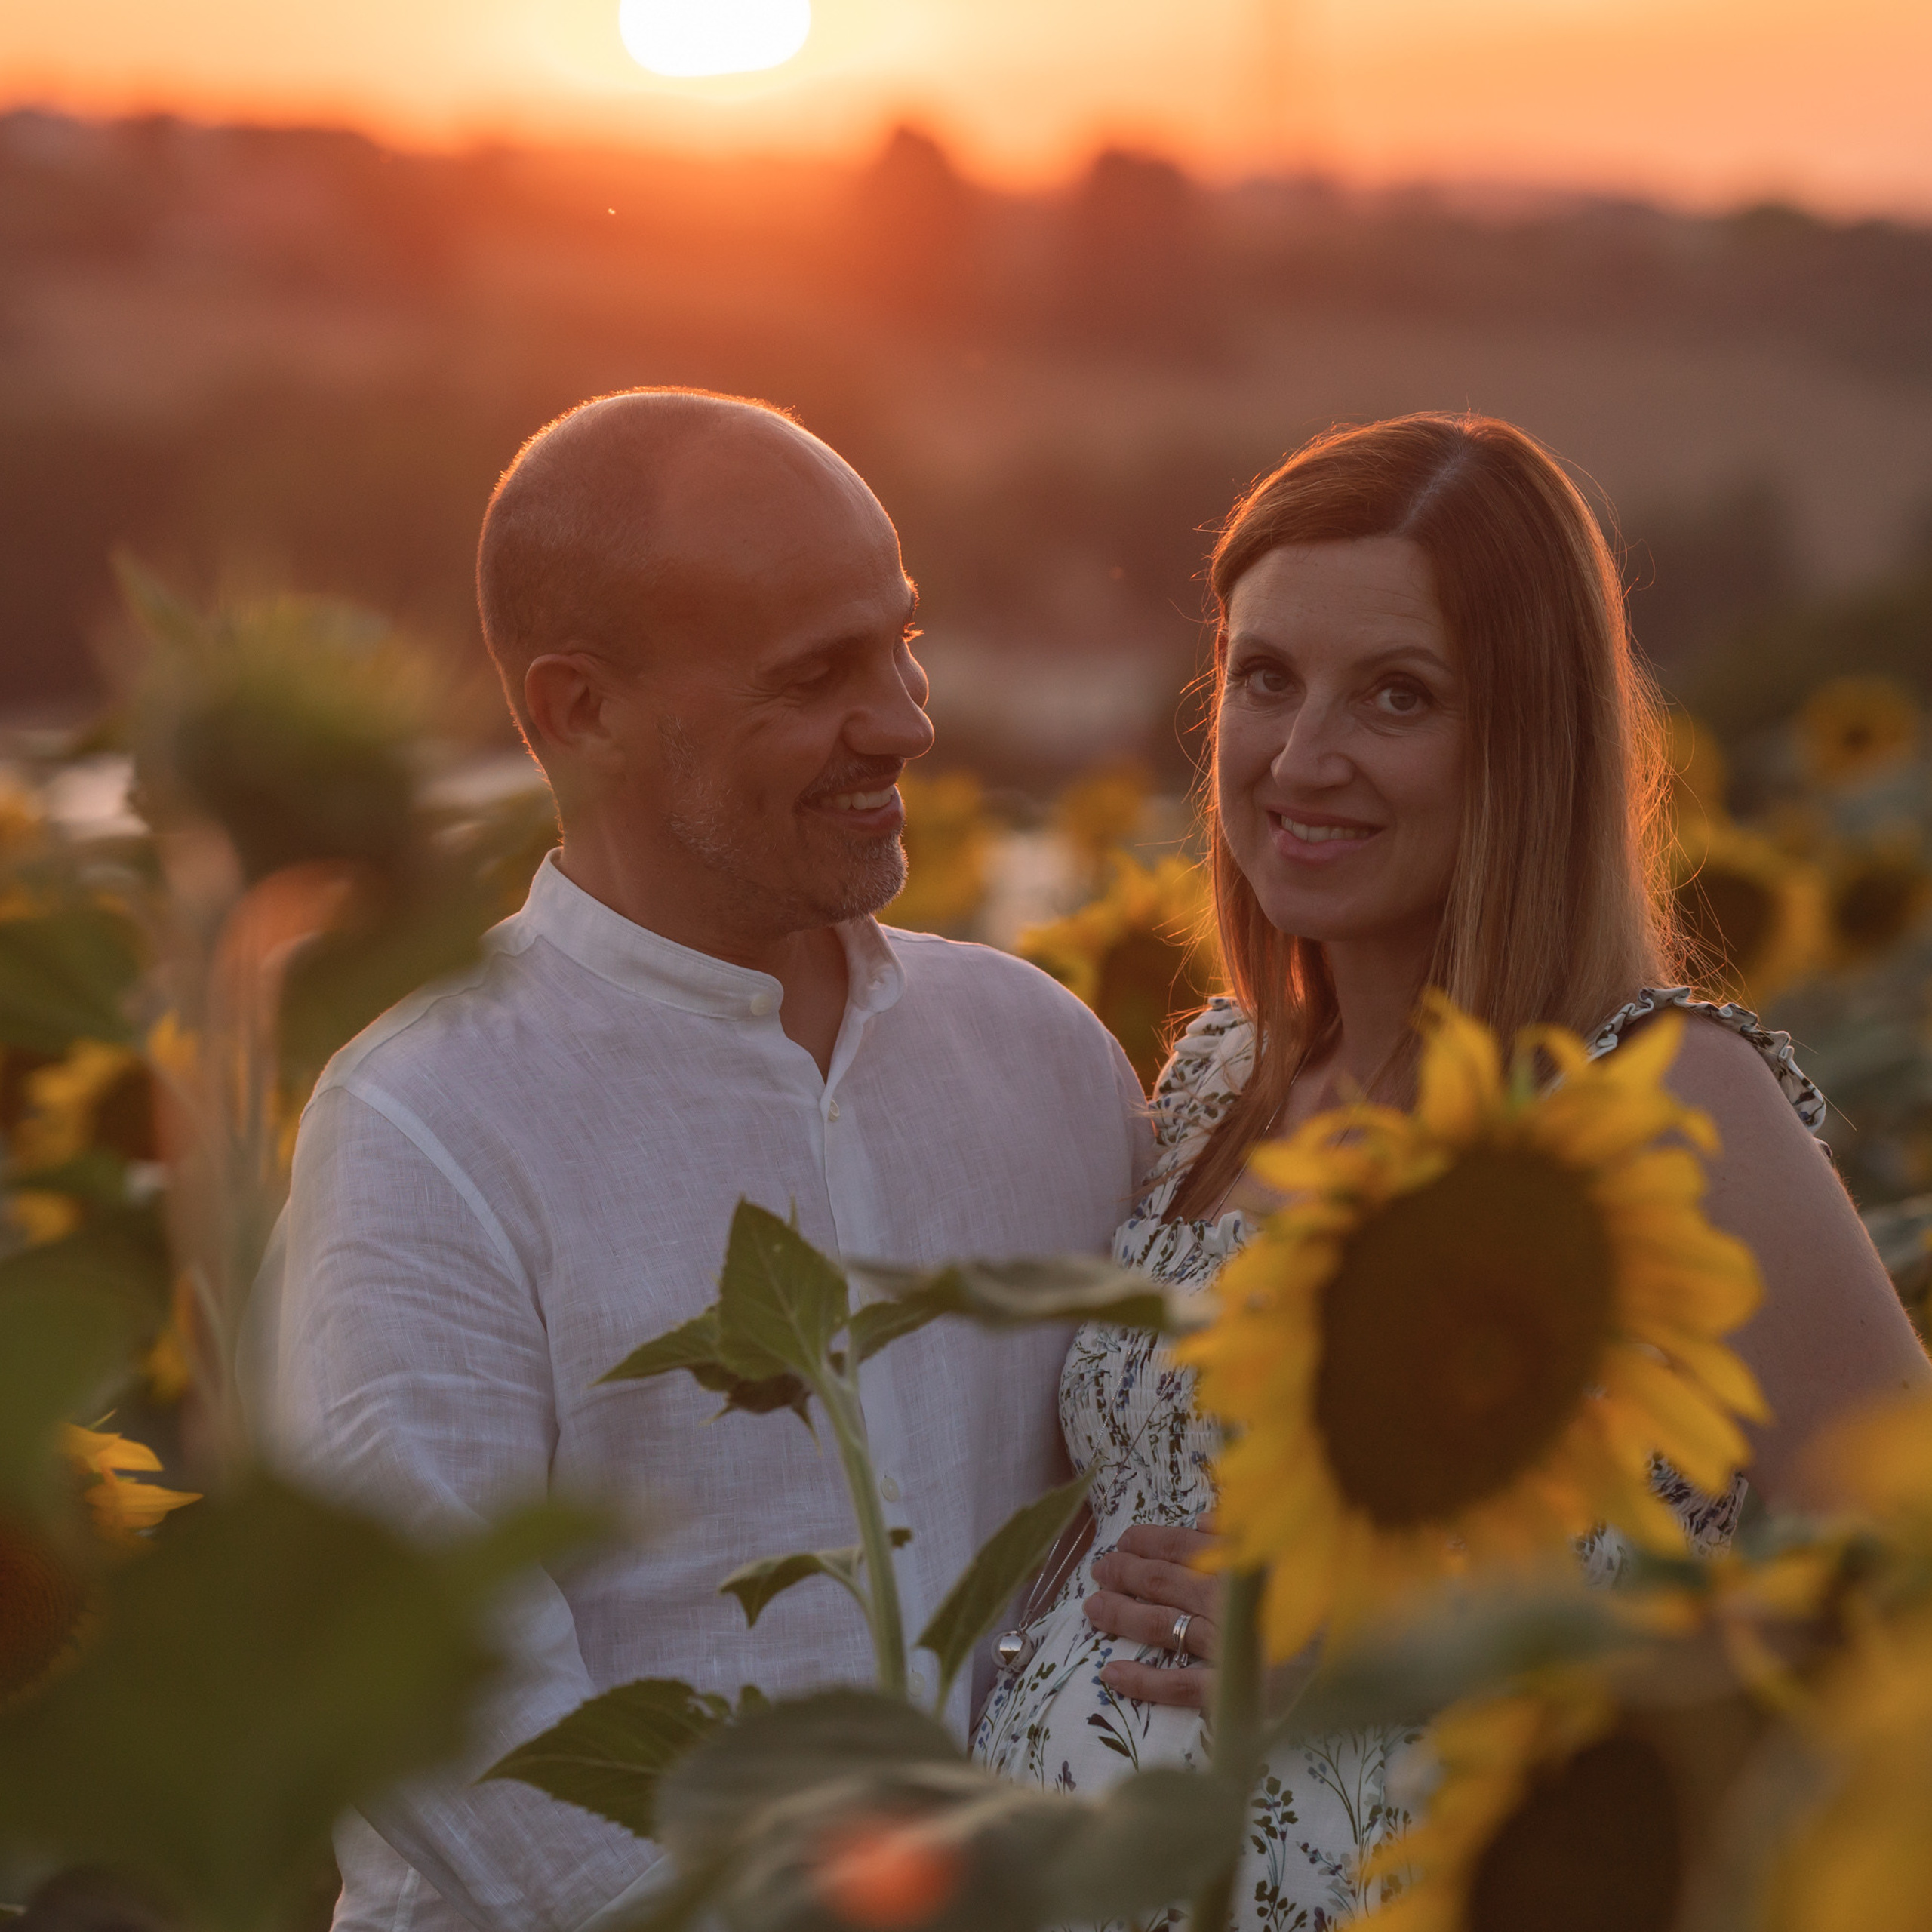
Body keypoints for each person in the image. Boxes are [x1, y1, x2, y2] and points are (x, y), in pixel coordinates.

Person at [969, 413, 1932, 1926]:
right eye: (1264, 677)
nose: (1301, 756)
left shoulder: (1660, 1098)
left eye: (1396, 695)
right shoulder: (1227, 1069)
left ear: (1526, 739)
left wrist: (1396, 1654)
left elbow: (1896, 1581)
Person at [249, 389, 1149, 1932]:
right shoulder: (427, 1123)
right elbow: (463, 1727)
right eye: (817, 675)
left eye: (901, 640)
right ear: (577, 708)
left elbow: (1116, 1509)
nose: (907, 721)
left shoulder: (1043, 1055)